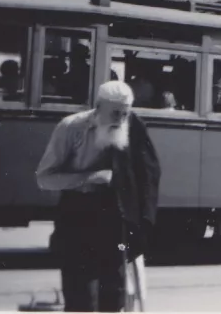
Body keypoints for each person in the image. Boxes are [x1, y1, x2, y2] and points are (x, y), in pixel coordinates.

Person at [36, 81, 161, 312]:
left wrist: (143, 221)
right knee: (82, 298)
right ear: (98, 106)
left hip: (115, 219)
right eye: (115, 113)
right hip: (78, 216)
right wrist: (88, 178)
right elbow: (44, 178)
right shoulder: (71, 128)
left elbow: (149, 174)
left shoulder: (133, 126)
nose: (120, 120)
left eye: (125, 114)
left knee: (115, 295)